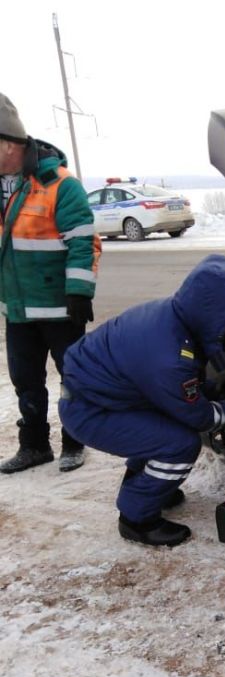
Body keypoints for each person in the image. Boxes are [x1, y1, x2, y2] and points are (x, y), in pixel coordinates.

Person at [59, 254, 225, 547]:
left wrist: (208, 386)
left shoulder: (174, 317)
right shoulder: (169, 358)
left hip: (102, 395)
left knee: (162, 430)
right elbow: (199, 416)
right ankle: (136, 519)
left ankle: (153, 485)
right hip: (90, 411)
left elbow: (180, 382)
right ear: (212, 314)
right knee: (180, 444)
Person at [0, 93, 100, 474]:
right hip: (18, 308)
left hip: (60, 308)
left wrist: (78, 291)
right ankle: (34, 446)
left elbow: (83, 241)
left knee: (73, 378)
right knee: (25, 381)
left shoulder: (59, 184)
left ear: (8, 142)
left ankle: (75, 442)